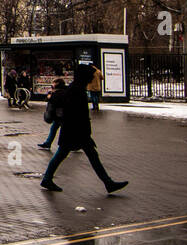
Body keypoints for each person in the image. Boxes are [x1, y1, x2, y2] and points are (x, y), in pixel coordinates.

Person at [41, 63, 127, 194]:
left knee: (73, 155)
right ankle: (108, 183)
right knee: (77, 155)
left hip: (73, 131)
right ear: (85, 77)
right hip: (76, 131)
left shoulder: (76, 89)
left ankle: (108, 183)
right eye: (90, 76)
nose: (92, 78)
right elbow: (78, 114)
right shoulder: (77, 91)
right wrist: (85, 132)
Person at [38, 78, 67, 150]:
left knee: (61, 129)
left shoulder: (59, 92)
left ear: (57, 84)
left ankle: (73, 144)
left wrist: (50, 97)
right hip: (61, 114)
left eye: (53, 83)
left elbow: (55, 102)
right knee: (54, 128)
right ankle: (48, 143)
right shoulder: (64, 91)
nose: (52, 84)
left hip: (60, 115)